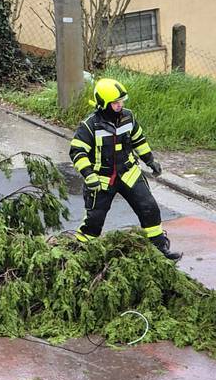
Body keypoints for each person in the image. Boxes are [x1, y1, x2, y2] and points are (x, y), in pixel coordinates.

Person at [70, 77, 181, 260]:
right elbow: (77, 151)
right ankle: (80, 254)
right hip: (102, 180)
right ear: (104, 103)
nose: (120, 105)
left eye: (121, 101)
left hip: (129, 173)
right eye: (115, 102)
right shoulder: (89, 126)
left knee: (149, 208)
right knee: (94, 220)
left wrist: (150, 160)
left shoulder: (128, 117)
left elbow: (139, 139)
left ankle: (160, 248)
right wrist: (89, 175)